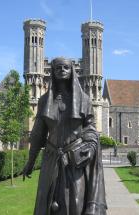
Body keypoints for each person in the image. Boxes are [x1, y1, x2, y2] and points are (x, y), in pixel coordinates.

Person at [23, 57, 107, 215]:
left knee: (75, 203)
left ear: (72, 71)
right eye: (58, 68)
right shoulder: (43, 101)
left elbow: (90, 127)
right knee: (46, 203)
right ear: (53, 72)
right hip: (51, 159)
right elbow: (37, 134)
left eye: (66, 67)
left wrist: (90, 145)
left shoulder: (84, 100)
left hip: (74, 161)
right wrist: (30, 161)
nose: (62, 70)